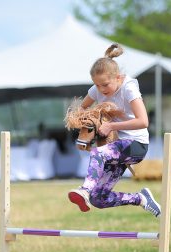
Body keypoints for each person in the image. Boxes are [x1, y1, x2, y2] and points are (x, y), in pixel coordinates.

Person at [67, 45, 161, 218]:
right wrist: (88, 120)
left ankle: (85, 189)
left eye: (105, 84)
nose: (101, 89)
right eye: (96, 85)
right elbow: (82, 109)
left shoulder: (128, 88)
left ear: (118, 77)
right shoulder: (97, 90)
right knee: (99, 199)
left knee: (99, 154)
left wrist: (111, 126)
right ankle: (140, 199)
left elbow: (143, 121)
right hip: (114, 148)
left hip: (136, 145)